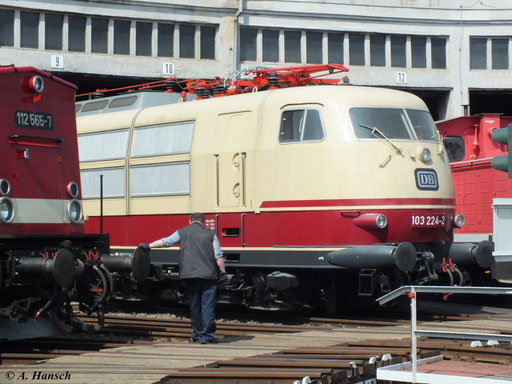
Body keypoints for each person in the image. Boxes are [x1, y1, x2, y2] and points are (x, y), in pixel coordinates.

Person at [140, 212, 226, 344]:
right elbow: (218, 256)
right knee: (207, 306)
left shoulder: (183, 232)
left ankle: (197, 335)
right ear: (203, 221)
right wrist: (223, 272)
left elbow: (167, 241)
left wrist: (149, 246)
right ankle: (207, 336)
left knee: (195, 305)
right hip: (209, 276)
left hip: (190, 275)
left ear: (190, 220)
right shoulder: (211, 234)